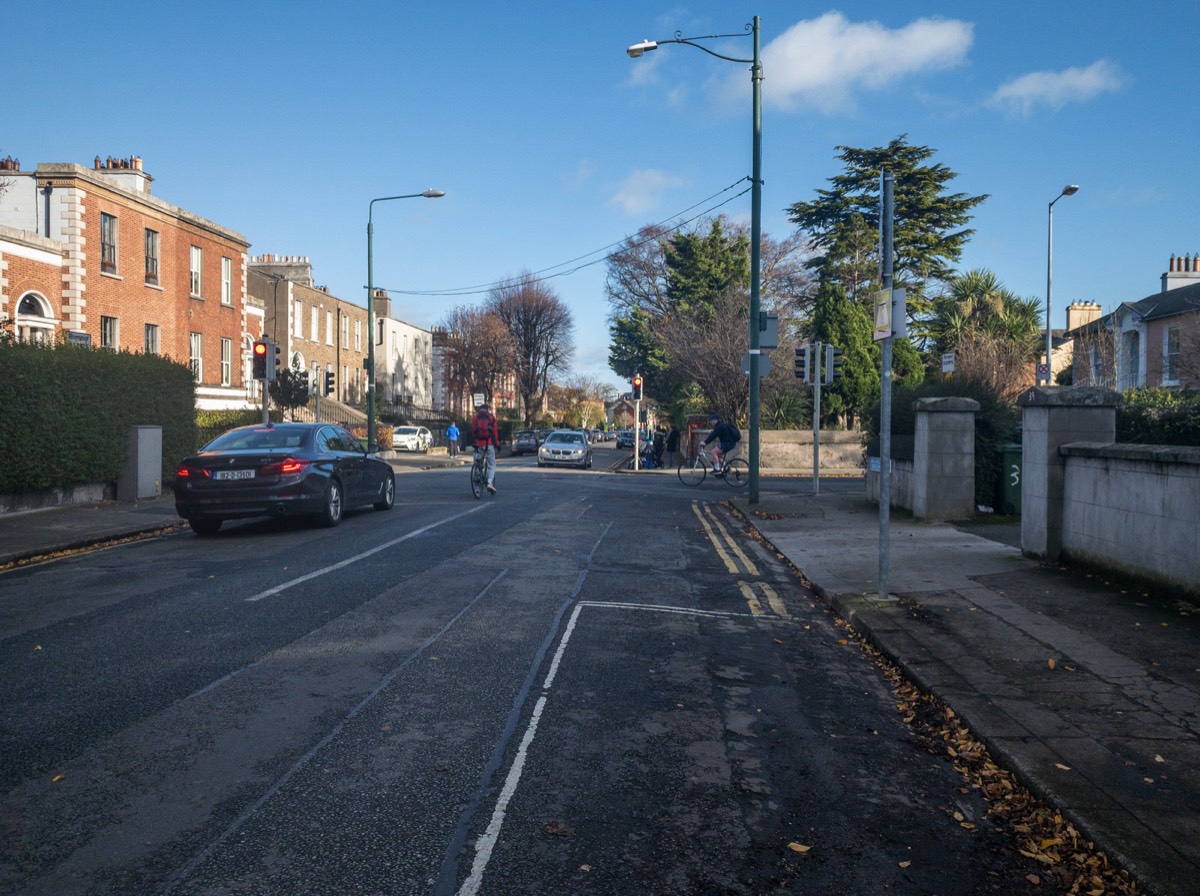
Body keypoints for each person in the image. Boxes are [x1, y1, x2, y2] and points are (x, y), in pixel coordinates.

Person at [471, 404, 500, 494]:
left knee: (477, 462)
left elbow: (473, 431)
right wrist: (497, 444)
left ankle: (476, 479)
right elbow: (495, 433)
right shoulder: (491, 418)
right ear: (488, 410)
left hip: (478, 444)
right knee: (492, 464)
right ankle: (489, 482)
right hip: (489, 444)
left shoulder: (475, 418)